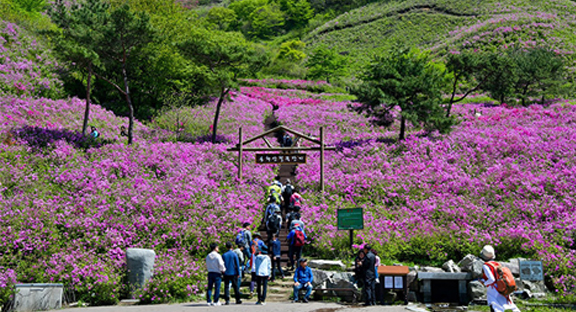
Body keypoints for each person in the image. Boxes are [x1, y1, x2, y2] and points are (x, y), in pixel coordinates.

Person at [479, 245, 521, 312]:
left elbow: (492, 279)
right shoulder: (497, 264)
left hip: (493, 290)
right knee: (503, 305)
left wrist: (484, 283)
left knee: (495, 306)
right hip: (501, 287)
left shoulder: (486, 265)